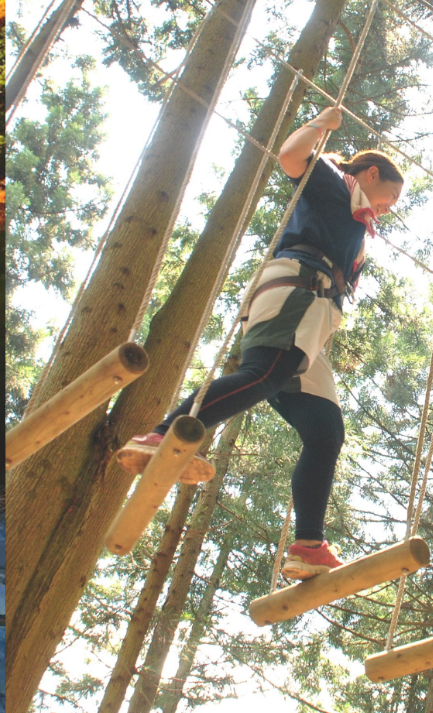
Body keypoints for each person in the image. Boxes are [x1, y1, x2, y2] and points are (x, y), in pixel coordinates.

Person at [129, 105, 404, 580]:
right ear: (371, 174)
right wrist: (321, 122)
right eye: (386, 199)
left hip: (314, 317)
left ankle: (308, 546)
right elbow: (291, 156)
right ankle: (163, 434)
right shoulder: (335, 181)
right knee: (263, 374)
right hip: (298, 289)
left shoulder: (354, 215)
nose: (383, 210)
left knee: (325, 432)